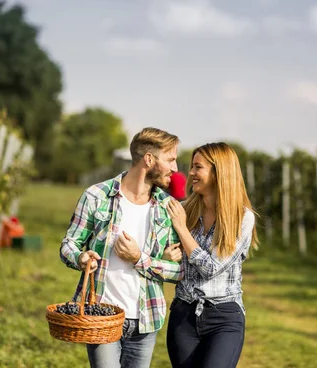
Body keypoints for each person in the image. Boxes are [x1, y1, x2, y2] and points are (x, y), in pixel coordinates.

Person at [60, 127, 184, 368]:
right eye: (170, 159)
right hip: (102, 315)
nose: (176, 168)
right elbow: (68, 244)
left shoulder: (168, 208)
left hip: (146, 320)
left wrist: (140, 258)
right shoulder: (96, 196)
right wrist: (80, 257)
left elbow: (179, 271)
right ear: (149, 159)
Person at [165, 142, 259, 368]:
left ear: (219, 173)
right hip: (183, 315)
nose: (191, 173)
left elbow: (210, 268)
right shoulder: (184, 210)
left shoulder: (242, 218)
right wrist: (167, 256)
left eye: (198, 167)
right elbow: (165, 259)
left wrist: (182, 230)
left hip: (224, 317)